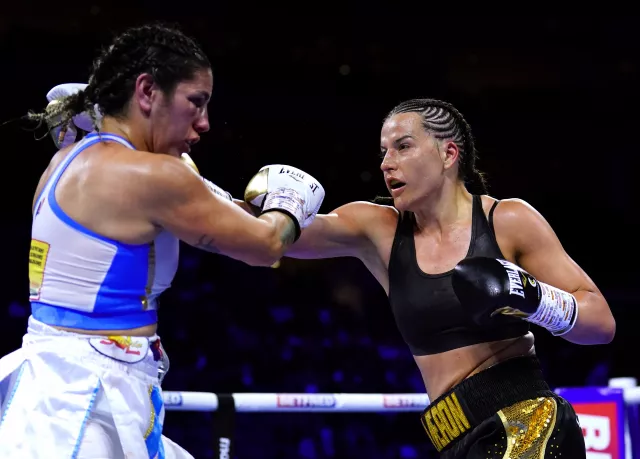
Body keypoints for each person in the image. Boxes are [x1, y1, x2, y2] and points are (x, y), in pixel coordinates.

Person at [0, 23, 324, 459]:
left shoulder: (65, 159)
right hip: (85, 403)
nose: (205, 123)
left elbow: (207, 206)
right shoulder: (154, 178)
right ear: (148, 92)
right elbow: (265, 245)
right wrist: (290, 204)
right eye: (196, 102)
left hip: (60, 383)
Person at [273, 98, 615, 458]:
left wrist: (534, 299)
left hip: (528, 422)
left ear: (449, 154)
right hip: (453, 439)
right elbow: (274, 240)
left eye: (403, 147)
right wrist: (224, 199)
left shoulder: (508, 220)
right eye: (383, 152)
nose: (387, 164)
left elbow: (601, 323)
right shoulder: (380, 229)